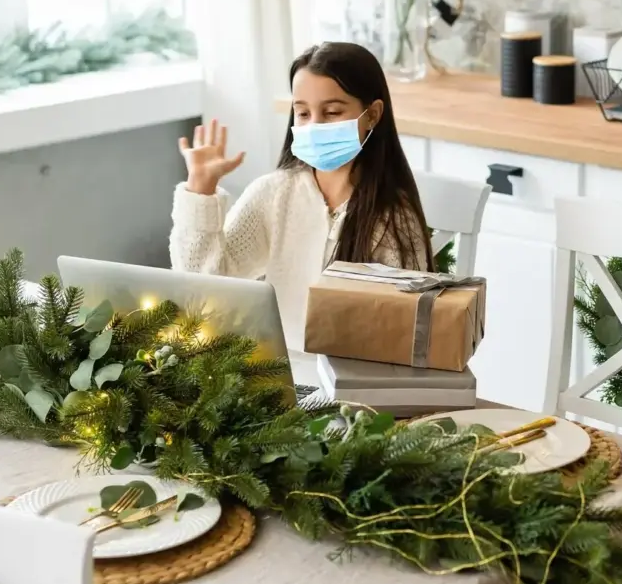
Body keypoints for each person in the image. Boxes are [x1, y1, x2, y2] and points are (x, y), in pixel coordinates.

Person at [169, 41, 433, 351]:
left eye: (332, 112)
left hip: (352, 376)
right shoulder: (274, 195)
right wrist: (200, 189)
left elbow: (403, 330)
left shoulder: (393, 218)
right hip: (275, 368)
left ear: (372, 115)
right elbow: (202, 285)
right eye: (303, 113)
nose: (314, 126)